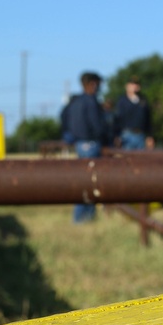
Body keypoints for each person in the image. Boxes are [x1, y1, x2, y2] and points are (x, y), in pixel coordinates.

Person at [68, 71, 107, 222]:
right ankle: (85, 217)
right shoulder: (91, 101)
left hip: (79, 143)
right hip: (91, 143)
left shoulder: (76, 102)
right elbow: (97, 125)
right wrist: (104, 136)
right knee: (91, 182)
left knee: (83, 179)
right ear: (93, 84)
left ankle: (80, 217)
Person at [114, 75, 154, 149]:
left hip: (140, 135)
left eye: (137, 84)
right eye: (132, 84)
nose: (135, 86)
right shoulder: (122, 101)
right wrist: (116, 136)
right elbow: (117, 119)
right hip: (126, 135)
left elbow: (148, 119)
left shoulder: (143, 100)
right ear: (127, 86)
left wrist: (150, 136)